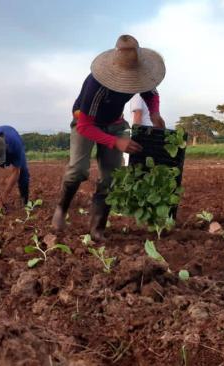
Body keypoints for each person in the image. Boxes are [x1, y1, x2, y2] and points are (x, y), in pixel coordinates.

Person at [51, 35, 167, 241]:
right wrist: (116, 142)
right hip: (85, 122)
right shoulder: (97, 84)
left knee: (111, 176)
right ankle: (62, 207)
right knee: (77, 170)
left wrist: (155, 113)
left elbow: (151, 92)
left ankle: (98, 227)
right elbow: (85, 126)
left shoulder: (141, 74)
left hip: (114, 123)